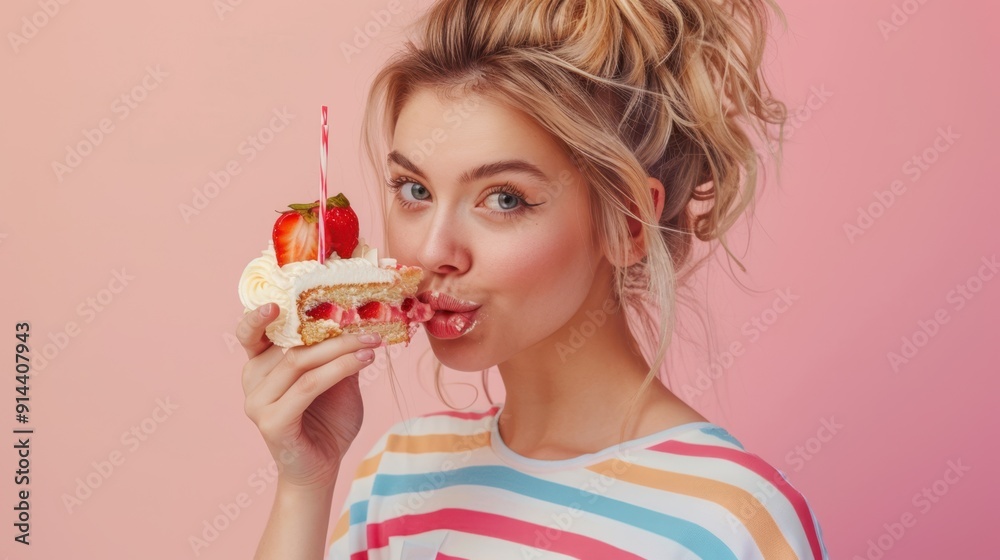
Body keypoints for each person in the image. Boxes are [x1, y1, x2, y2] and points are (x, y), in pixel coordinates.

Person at [238, 0, 830, 558]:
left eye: (504, 198)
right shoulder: (400, 473)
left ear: (627, 223)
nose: (433, 250)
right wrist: (304, 482)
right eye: (414, 190)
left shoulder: (726, 520)